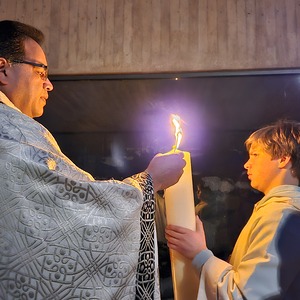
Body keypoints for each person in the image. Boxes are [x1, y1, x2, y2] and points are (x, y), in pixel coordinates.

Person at [0, 20, 185, 300]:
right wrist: (149, 181)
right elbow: (74, 218)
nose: (49, 85)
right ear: (3, 68)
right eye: (41, 72)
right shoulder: (11, 134)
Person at [165, 120, 300, 299]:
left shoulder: (282, 216)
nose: (246, 164)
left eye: (255, 155)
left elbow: (244, 295)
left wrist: (200, 254)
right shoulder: (275, 210)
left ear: (283, 159)